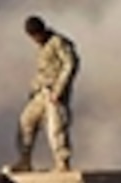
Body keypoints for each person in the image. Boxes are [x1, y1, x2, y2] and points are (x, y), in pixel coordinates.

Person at [7, 15, 79, 172]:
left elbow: (70, 65)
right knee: (26, 122)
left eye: (36, 35)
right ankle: (24, 160)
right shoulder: (43, 47)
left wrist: (59, 90)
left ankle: (62, 162)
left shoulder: (58, 42)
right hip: (40, 92)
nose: (35, 39)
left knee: (56, 128)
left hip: (54, 93)